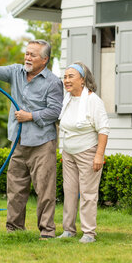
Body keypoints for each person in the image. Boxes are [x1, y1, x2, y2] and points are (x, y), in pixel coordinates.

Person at [0, 40, 63, 239]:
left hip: (42, 143)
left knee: (45, 191)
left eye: (32, 55)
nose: (27, 58)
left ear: (45, 59)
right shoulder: (16, 72)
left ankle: (47, 232)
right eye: (26, 53)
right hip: (18, 142)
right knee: (15, 187)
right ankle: (14, 229)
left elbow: (55, 111)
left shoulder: (53, 82)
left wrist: (31, 116)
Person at [57, 62, 109, 243]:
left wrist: (99, 155)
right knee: (69, 191)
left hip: (88, 152)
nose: (66, 80)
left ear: (82, 80)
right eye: (65, 77)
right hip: (69, 153)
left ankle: (88, 233)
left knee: (88, 194)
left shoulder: (93, 100)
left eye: (71, 76)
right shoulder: (68, 99)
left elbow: (103, 129)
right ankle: (68, 230)